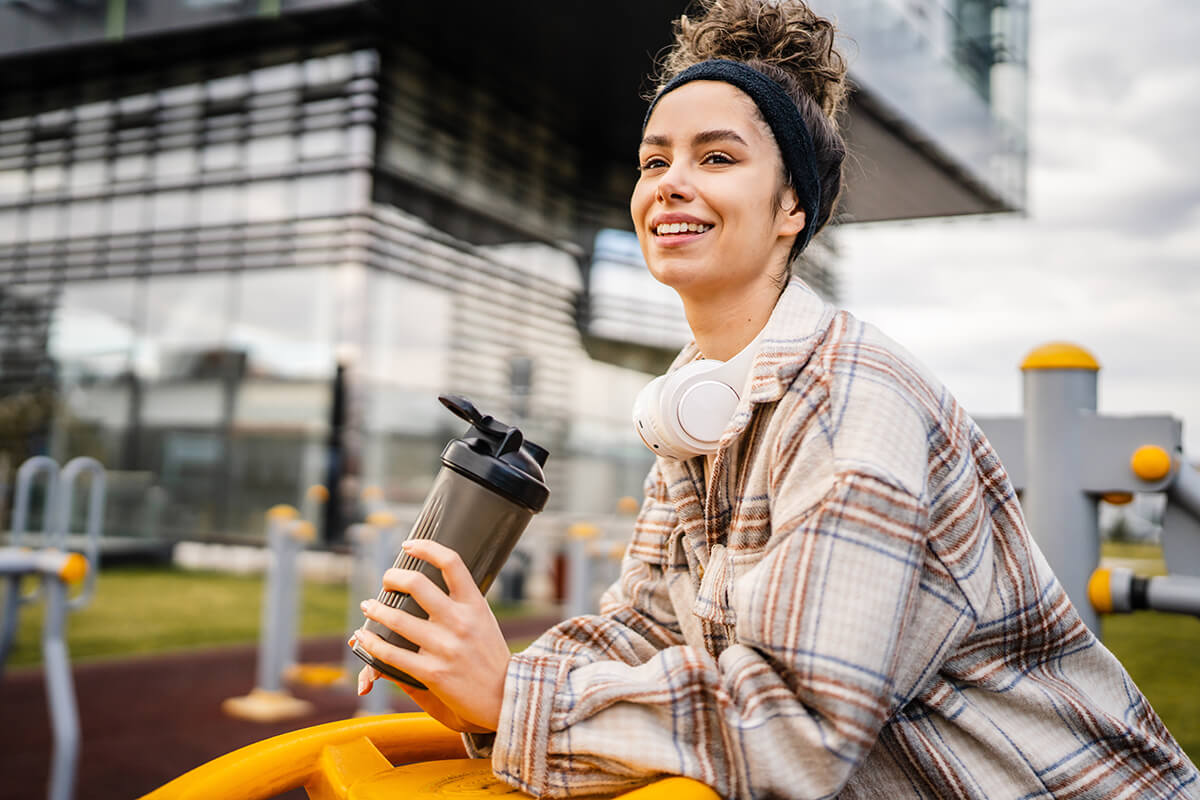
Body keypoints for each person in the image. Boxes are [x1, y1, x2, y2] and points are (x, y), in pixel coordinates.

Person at [349, 1, 1199, 797]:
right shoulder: (699, 409)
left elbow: (797, 731)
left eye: (715, 158)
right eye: (655, 160)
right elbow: (645, 632)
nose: (670, 184)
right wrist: (464, 673)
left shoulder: (852, 404)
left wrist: (516, 697)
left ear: (793, 204)